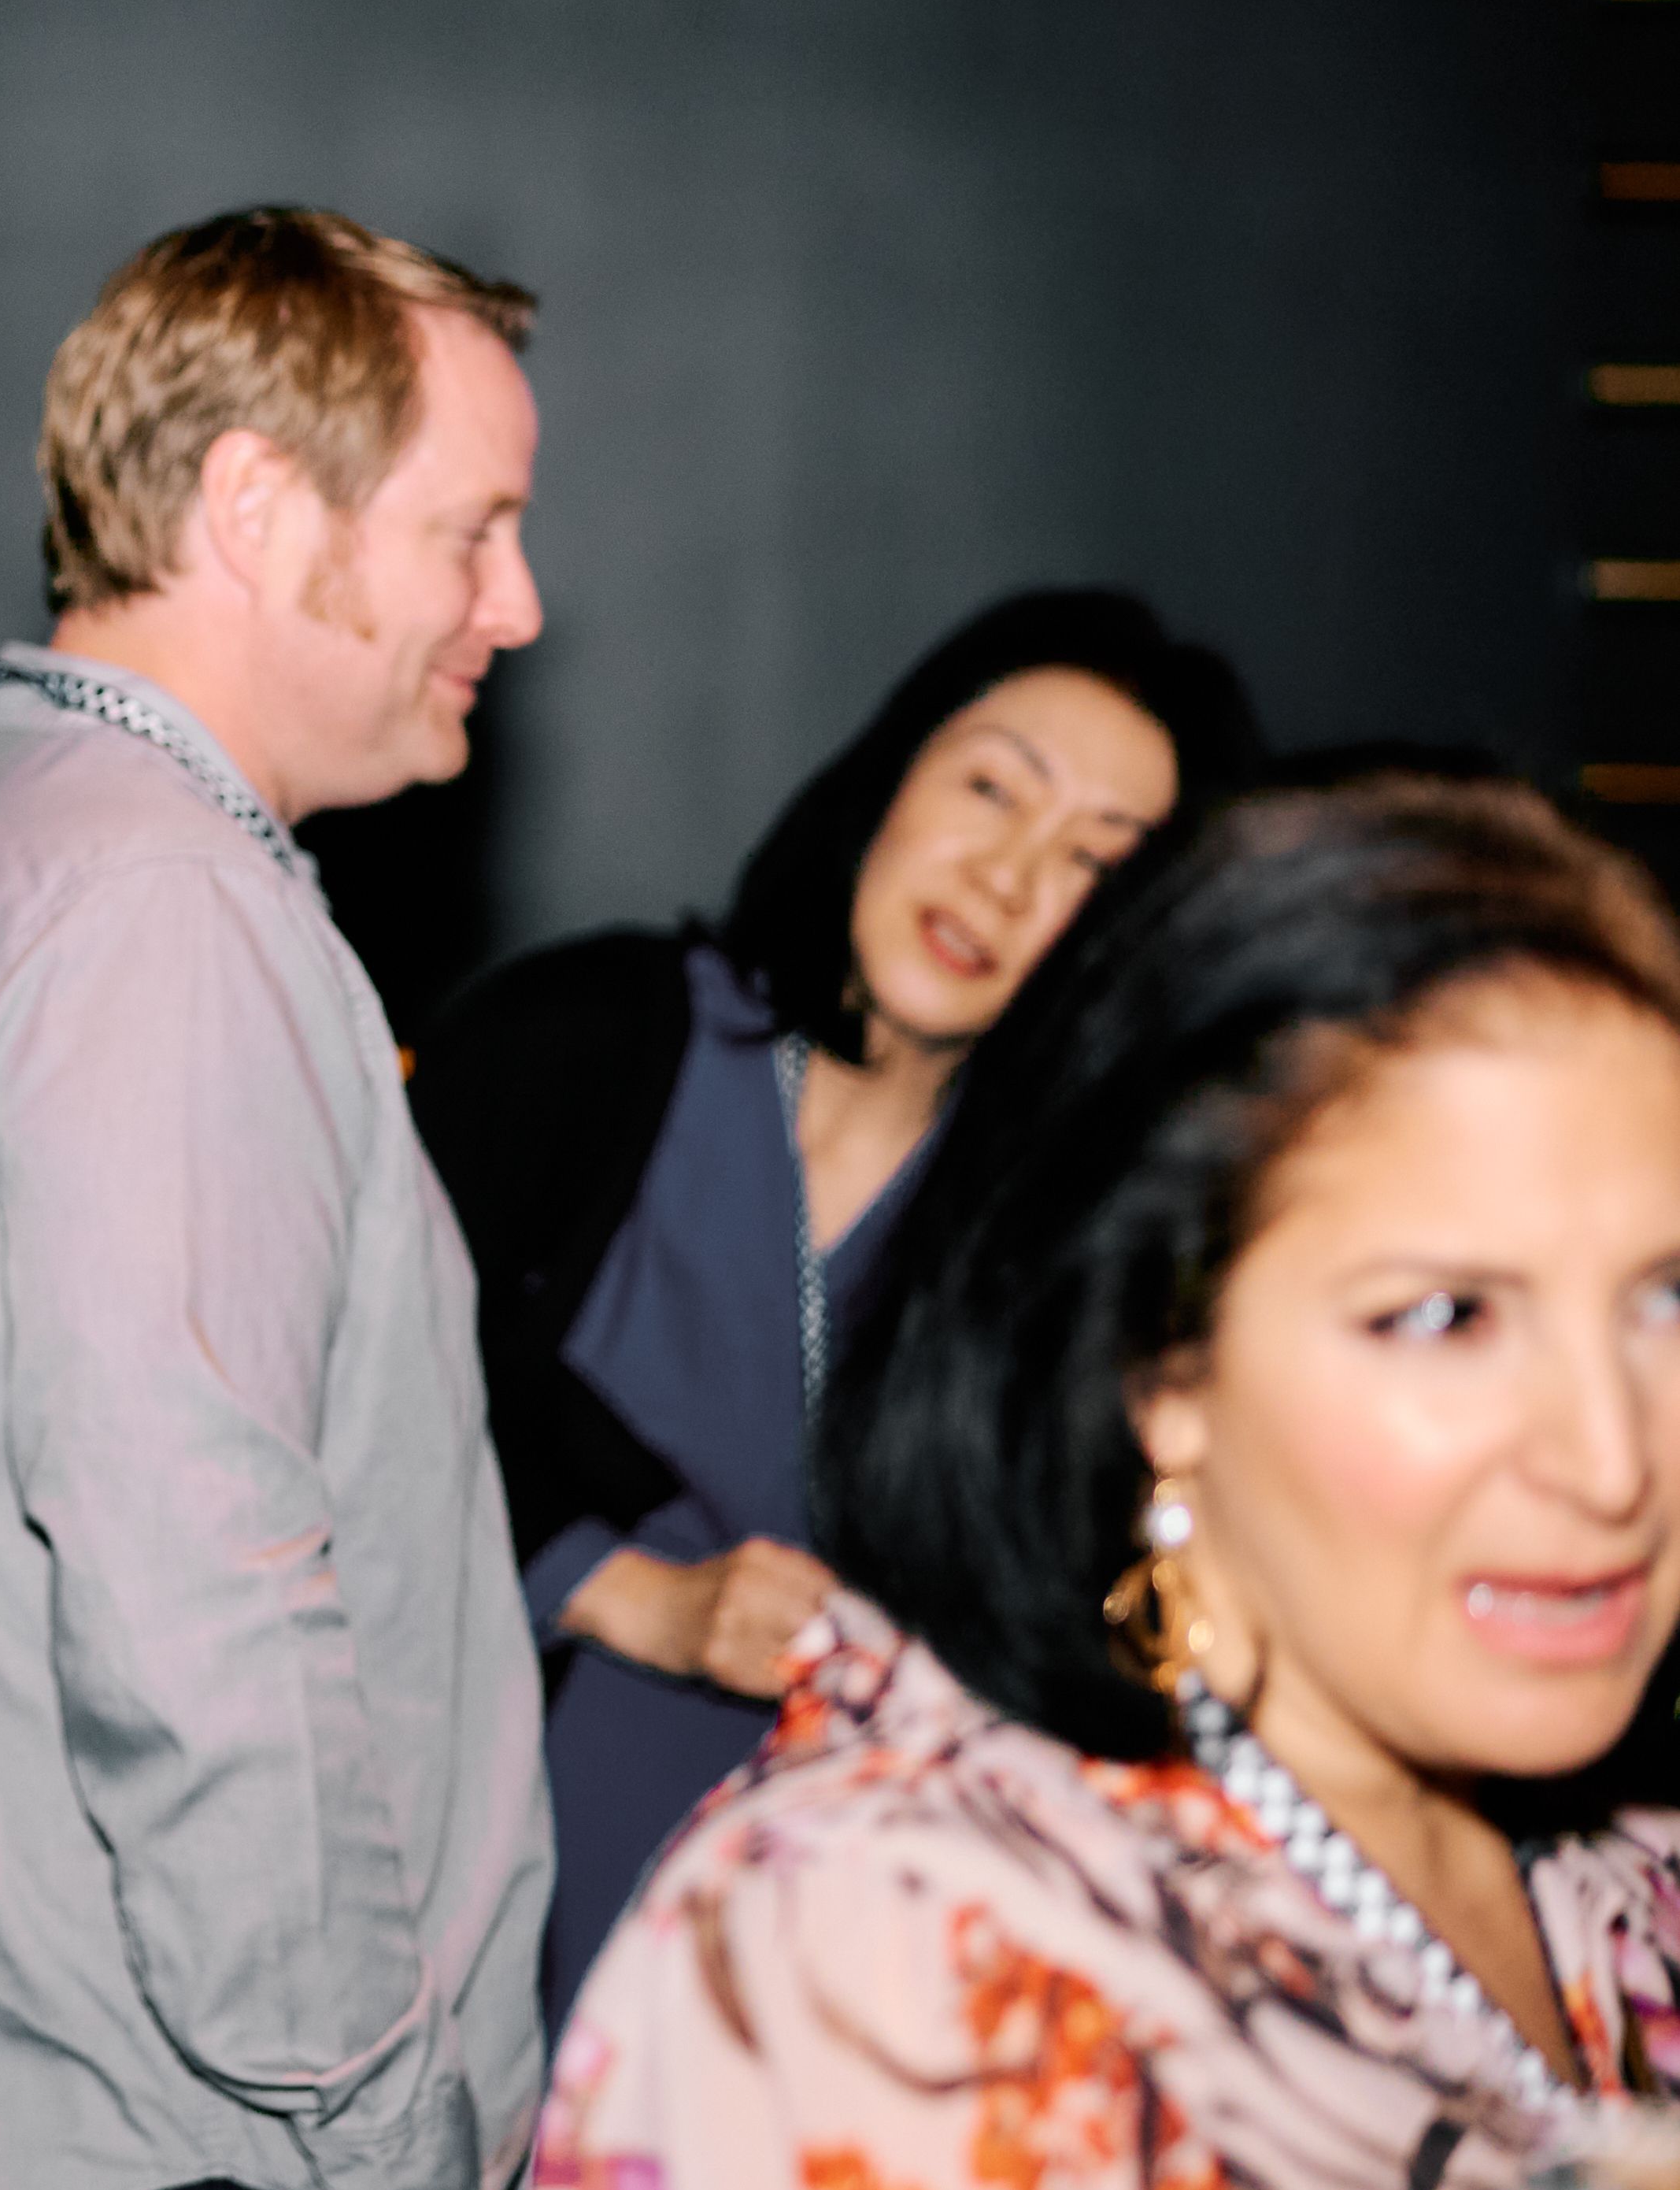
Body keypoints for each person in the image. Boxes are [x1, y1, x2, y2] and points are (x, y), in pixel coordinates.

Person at [513, 776, 1680, 2190]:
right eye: (1441, 1315)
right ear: (1160, 1366)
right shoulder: (899, 1959)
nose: (1606, 1458)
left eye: (1666, 1298)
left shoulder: (1624, 1865)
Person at [0, 206, 556, 2190]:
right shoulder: (157, 907)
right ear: (251, 502)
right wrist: (399, 2166)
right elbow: (192, 1593)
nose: (515, 602)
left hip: (80, 2179)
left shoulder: (24, 830)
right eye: (470, 530)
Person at [413, 587, 1263, 2018]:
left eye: (1092, 868)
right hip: (452, 1952)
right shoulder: (581, 1039)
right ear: (891, 772)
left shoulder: (1067, 1256)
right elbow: (342, 1394)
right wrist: (630, 1595)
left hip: (826, 2007)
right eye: (992, 787)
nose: (1005, 875)